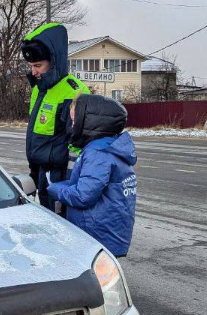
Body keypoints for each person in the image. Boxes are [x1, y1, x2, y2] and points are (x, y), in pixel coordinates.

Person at [46, 93, 137, 257]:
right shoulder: (108, 147)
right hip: (108, 229)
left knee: (93, 280)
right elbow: (88, 185)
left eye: (74, 121)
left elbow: (83, 196)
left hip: (96, 234)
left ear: (89, 122)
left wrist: (55, 189)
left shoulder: (98, 153)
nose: (72, 126)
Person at [21, 22, 89, 211]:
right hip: (41, 172)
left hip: (61, 177)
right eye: (31, 65)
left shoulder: (73, 92)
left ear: (55, 61)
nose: (33, 71)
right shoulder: (38, 90)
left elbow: (78, 144)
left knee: (61, 226)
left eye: (38, 65)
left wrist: (67, 182)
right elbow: (37, 135)